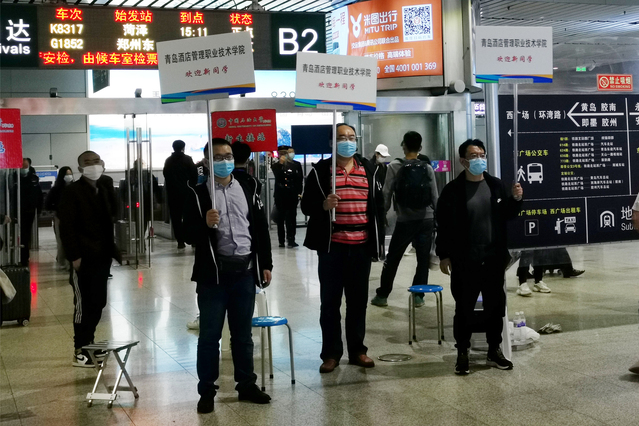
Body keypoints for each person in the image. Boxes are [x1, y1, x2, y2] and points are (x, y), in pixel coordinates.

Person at [184, 139, 273, 413]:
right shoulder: (198, 192)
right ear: (207, 162)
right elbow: (186, 233)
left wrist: (266, 263)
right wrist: (204, 223)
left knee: (243, 336)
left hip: (245, 272)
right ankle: (206, 391)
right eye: (218, 157)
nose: (225, 161)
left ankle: (246, 385)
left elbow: (260, 227)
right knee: (209, 337)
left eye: (229, 156)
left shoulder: (248, 187)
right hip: (213, 276)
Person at [301, 123, 385, 374]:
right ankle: (331, 354)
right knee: (330, 304)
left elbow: (378, 206)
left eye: (351, 137)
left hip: (361, 247)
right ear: (332, 142)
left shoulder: (369, 169)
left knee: (358, 303)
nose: (347, 141)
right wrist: (323, 205)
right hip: (332, 247)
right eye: (341, 137)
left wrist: (378, 241)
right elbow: (306, 206)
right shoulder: (320, 171)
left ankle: (358, 350)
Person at [436, 139, 523, 375]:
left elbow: (508, 215)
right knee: (464, 307)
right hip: (465, 258)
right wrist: (443, 255)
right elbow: (443, 225)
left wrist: (516, 199)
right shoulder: (453, 190)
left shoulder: (496, 185)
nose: (479, 159)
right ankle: (462, 352)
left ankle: (494, 350)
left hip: (493, 257)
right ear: (463, 161)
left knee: (495, 306)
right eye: (474, 155)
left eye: (482, 155)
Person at [58, 151, 121, 367]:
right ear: (80, 168)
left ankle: (89, 343)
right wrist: (74, 256)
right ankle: (80, 349)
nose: (93, 166)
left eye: (96, 162)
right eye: (88, 163)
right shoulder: (72, 192)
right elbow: (66, 227)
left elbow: (114, 213)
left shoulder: (104, 188)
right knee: (83, 304)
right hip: (83, 258)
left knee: (98, 302)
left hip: (102, 255)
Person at [371, 131, 438, 307]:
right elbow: (434, 196)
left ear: (404, 146)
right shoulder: (427, 167)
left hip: (405, 220)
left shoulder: (394, 166)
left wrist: (383, 215)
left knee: (393, 258)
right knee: (422, 260)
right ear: (420, 147)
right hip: (426, 220)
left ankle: (382, 296)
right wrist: (437, 218)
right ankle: (418, 296)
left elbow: (386, 193)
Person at [163, 140, 196, 249]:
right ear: (183, 148)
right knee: (190, 217)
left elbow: (166, 175)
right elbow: (194, 175)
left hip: (173, 194)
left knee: (176, 218)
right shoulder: (188, 159)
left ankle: (180, 242)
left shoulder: (168, 161)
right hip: (187, 193)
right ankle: (192, 240)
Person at [272, 145, 303, 248]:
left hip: (292, 194)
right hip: (280, 195)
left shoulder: (296, 165)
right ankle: (281, 240)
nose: (283, 155)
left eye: (285, 153)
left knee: (292, 218)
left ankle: (291, 239)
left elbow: (299, 180)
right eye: (281, 153)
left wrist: (299, 193)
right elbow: (278, 176)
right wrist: (281, 164)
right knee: (280, 219)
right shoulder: (276, 165)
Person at [44, 166, 74, 270]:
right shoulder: (56, 189)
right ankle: (62, 261)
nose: (69, 176)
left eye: (70, 174)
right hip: (60, 218)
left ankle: (71, 261)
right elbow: (48, 204)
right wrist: (57, 208)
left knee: (72, 240)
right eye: (67, 174)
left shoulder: (75, 188)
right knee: (61, 240)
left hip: (74, 218)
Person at [19, 158, 43, 267]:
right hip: (17, 211)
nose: (24, 169)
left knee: (26, 234)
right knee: (19, 234)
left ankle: (24, 257)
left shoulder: (33, 179)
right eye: (22, 167)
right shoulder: (13, 177)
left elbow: (39, 195)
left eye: (26, 167)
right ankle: (19, 256)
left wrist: (38, 209)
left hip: (29, 211)